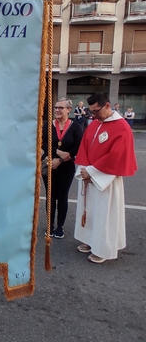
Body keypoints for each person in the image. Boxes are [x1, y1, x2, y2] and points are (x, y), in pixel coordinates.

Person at [74, 92, 137, 264]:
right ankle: (89, 240)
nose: (93, 116)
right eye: (91, 112)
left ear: (107, 106)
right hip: (90, 176)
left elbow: (117, 155)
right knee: (90, 211)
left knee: (104, 214)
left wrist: (92, 172)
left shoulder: (122, 127)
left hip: (106, 179)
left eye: (96, 111)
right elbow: (84, 147)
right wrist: (84, 170)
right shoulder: (95, 124)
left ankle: (102, 249)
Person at [42, 98, 83, 238]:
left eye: (61, 108)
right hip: (49, 165)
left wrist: (61, 159)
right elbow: (42, 144)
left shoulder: (76, 127)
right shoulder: (47, 126)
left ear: (69, 110)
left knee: (62, 196)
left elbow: (78, 146)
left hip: (66, 167)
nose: (57, 110)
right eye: (56, 107)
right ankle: (49, 225)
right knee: (50, 196)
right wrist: (57, 153)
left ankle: (60, 226)